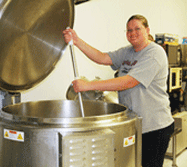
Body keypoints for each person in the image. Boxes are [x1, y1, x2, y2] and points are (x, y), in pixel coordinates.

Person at [63, 14, 174, 167]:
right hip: (134, 124)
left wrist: (89, 85)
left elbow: (128, 82)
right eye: (129, 30)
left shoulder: (155, 53)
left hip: (154, 126)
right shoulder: (128, 52)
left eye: (137, 29)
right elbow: (102, 58)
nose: (132, 33)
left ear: (147, 30)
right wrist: (77, 41)